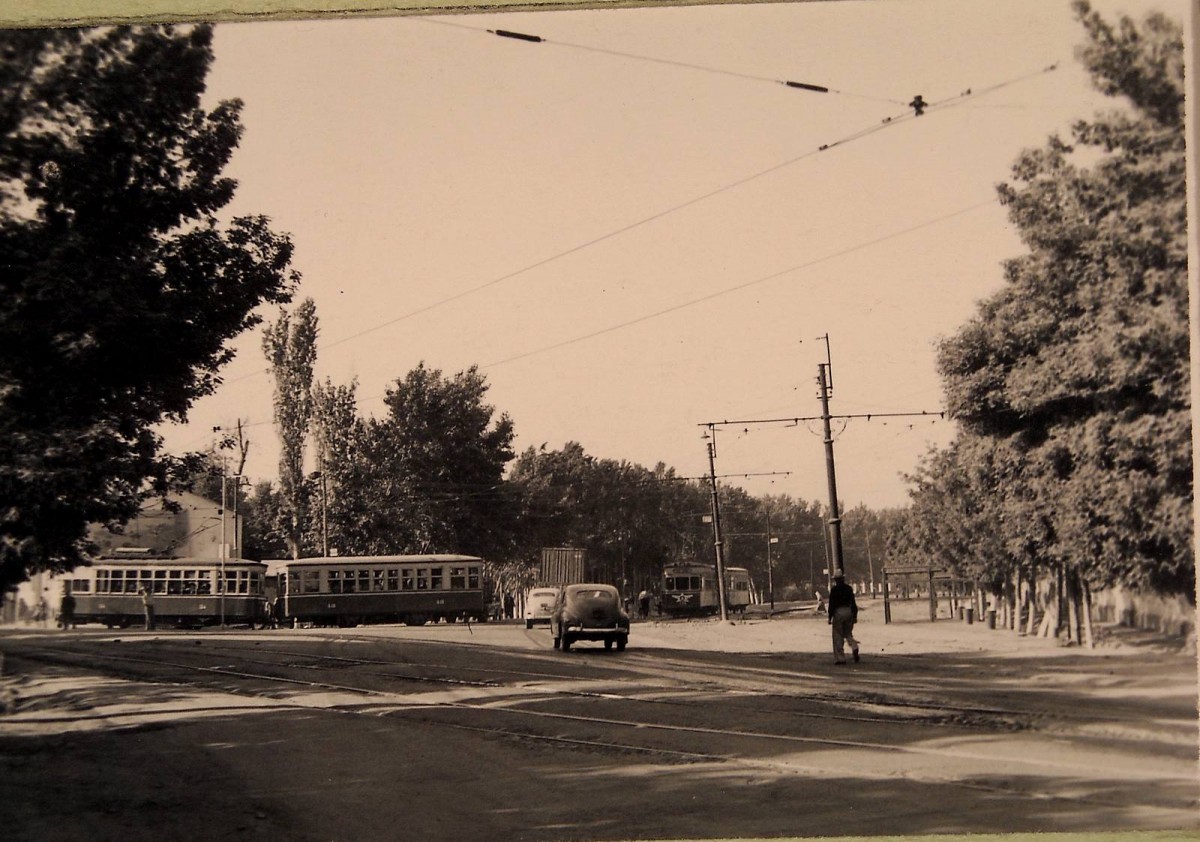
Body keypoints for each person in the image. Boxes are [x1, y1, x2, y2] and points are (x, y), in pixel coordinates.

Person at [827, 573, 860, 664]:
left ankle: (840, 658)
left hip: (838, 613)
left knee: (838, 635)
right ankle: (854, 646)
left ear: (836, 580)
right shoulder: (848, 589)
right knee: (848, 633)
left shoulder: (834, 590)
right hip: (848, 611)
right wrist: (854, 616)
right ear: (843, 579)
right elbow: (853, 603)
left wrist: (830, 617)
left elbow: (831, 605)